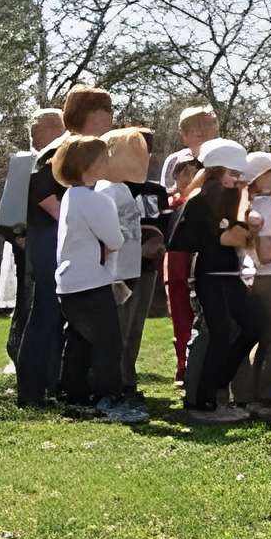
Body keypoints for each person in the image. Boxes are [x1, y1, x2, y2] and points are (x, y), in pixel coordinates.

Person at [17, 86, 114, 406]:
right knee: (45, 313)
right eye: (106, 110)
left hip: (68, 245)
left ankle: (62, 386)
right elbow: (41, 191)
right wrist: (78, 223)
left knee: (68, 322)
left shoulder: (85, 147)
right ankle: (31, 392)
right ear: (89, 113)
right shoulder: (62, 147)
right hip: (51, 243)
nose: (111, 118)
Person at [50, 132, 142, 422]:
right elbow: (115, 240)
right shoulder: (96, 200)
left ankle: (75, 395)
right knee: (108, 342)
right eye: (102, 158)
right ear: (88, 164)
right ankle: (108, 398)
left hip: (68, 281)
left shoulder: (69, 196)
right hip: (92, 280)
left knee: (79, 339)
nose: (107, 162)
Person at [169, 138, 261, 425]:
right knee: (218, 334)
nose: (237, 181)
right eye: (233, 174)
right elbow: (228, 237)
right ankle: (204, 399)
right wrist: (232, 231)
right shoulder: (200, 200)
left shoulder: (231, 197)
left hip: (229, 273)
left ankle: (218, 384)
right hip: (210, 274)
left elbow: (243, 235)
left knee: (251, 327)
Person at [0, 109, 59, 376]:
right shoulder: (24, 162)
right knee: (27, 302)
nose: (33, 132)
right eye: (31, 128)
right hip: (28, 245)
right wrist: (18, 238)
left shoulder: (65, 160)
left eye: (39, 127)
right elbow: (9, 210)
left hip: (57, 243)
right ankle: (22, 358)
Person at [234, 151, 271, 418]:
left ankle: (247, 392)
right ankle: (268, 396)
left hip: (248, 275)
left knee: (254, 335)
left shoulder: (246, 205)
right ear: (261, 178)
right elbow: (269, 252)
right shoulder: (268, 208)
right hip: (270, 274)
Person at [161, 107, 219, 379]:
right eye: (200, 128)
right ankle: (184, 366)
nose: (208, 132)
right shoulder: (176, 160)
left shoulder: (222, 160)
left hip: (212, 246)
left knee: (210, 307)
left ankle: (208, 366)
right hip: (178, 247)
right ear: (188, 133)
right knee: (181, 304)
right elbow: (168, 197)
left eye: (212, 125)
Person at [104, 126, 161, 388]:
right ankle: (113, 382)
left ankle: (127, 378)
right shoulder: (108, 190)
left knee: (134, 327)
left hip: (142, 269)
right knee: (117, 328)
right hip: (116, 271)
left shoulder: (148, 190)